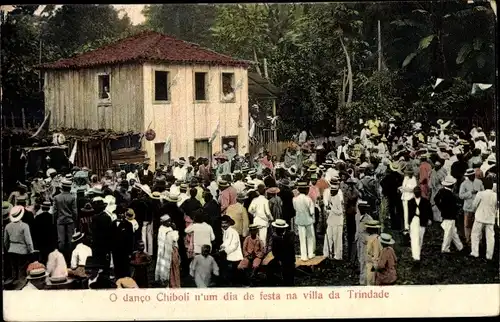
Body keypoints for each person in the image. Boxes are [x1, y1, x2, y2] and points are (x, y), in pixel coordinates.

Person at [4, 206, 34, 284]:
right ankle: (20, 285)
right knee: (22, 270)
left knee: (14, 269)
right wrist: (31, 251)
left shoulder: (7, 226)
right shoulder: (24, 226)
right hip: (22, 251)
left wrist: (8, 249)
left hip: (11, 250)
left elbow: (5, 241)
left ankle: (13, 284)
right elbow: (28, 241)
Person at [435, 176, 464, 253]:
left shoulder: (441, 191)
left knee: (453, 232)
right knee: (448, 233)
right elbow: (454, 207)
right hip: (451, 215)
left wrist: (441, 208)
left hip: (445, 214)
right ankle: (445, 248)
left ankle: (460, 246)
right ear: (452, 185)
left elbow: (436, 199)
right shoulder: (451, 195)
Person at [470, 177, 497, 261]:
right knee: (490, 237)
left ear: (483, 185)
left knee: (475, 235)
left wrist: (474, 212)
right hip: (490, 218)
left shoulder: (480, 194)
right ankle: (489, 255)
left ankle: (475, 252)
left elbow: (474, 205)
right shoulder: (495, 195)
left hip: (480, 217)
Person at [53, 179, 78, 263]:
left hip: (60, 221)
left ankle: (62, 258)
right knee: (71, 240)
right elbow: (75, 212)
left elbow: (55, 212)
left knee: (61, 240)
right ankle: (70, 258)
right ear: (69, 188)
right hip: (70, 220)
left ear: (62, 188)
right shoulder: (72, 197)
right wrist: (75, 221)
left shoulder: (56, 197)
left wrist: (54, 221)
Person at [267, 219, 296, 286]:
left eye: (278, 229)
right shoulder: (275, 237)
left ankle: (289, 284)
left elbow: (291, 250)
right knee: (269, 267)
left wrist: (291, 261)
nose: (276, 230)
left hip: (288, 259)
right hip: (278, 258)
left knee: (288, 271)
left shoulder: (289, 235)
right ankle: (273, 283)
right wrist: (278, 259)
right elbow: (274, 251)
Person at [408, 186, 432, 264]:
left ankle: (418, 252)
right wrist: (408, 223)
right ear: (414, 193)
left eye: (418, 192)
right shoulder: (410, 202)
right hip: (414, 219)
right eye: (416, 192)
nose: (417, 193)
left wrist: (430, 219)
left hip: (422, 220)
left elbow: (429, 211)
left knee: (420, 237)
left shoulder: (425, 201)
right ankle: (416, 256)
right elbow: (409, 214)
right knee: (414, 238)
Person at [459, 168, 484, 245]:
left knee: (478, 224)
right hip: (468, 207)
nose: (472, 177)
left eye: (473, 175)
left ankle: (479, 240)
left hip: (478, 207)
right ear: (468, 176)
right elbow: (461, 196)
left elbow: (483, 192)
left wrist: (478, 193)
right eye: (470, 176)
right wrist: (470, 193)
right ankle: (468, 239)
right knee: (467, 225)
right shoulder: (464, 184)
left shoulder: (479, 182)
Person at [155, 215, 181, 288]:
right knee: (172, 267)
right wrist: (175, 229)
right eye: (168, 221)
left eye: (170, 220)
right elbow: (175, 238)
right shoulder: (168, 230)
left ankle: (169, 281)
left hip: (165, 250)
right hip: (169, 251)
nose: (170, 222)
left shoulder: (161, 228)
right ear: (163, 222)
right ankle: (172, 283)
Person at [292, 181, 316, 261]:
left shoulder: (295, 199)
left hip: (299, 220)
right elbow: (312, 211)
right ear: (306, 189)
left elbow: (295, 208)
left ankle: (304, 256)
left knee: (302, 238)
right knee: (310, 237)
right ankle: (310, 254)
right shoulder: (308, 199)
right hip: (308, 220)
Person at [218, 215, 243, 286]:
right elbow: (226, 242)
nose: (223, 225)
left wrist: (225, 251)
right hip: (228, 254)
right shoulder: (226, 232)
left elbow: (234, 245)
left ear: (229, 223)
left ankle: (233, 283)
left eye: (225, 223)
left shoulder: (233, 232)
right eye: (222, 223)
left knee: (232, 272)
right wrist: (222, 247)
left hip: (234, 255)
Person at [90, 197, 113, 270]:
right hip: (106, 241)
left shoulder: (95, 217)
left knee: (98, 260)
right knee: (105, 259)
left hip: (98, 241)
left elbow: (93, 230)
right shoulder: (107, 217)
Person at [323, 182, 344, 260]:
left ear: (336, 191)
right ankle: (326, 253)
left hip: (338, 222)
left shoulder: (339, 199)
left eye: (333, 190)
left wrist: (332, 208)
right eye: (331, 190)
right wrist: (327, 210)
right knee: (328, 237)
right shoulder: (330, 197)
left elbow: (340, 212)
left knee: (337, 239)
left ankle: (337, 255)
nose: (331, 192)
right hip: (331, 220)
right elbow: (328, 208)